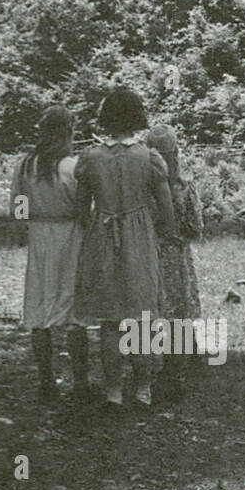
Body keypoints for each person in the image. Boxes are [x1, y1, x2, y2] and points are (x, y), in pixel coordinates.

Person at [73, 87, 175, 410]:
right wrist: (153, 229)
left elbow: (79, 210)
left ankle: (114, 391)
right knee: (142, 314)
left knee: (110, 318)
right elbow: (167, 209)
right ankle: (143, 387)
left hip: (102, 236)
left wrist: (99, 219)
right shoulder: (148, 157)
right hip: (139, 237)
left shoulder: (90, 157)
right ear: (138, 117)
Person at [13, 104, 89, 403]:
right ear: (69, 131)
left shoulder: (26, 165)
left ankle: (47, 381)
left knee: (41, 305)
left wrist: (23, 227)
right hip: (70, 236)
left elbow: (19, 204)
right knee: (74, 311)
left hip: (41, 236)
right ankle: (80, 383)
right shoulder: (74, 166)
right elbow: (83, 211)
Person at [145, 124, 204, 403]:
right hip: (177, 254)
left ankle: (147, 374)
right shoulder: (183, 186)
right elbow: (196, 227)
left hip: (148, 252)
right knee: (178, 314)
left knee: (150, 312)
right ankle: (175, 374)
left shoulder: (141, 189)